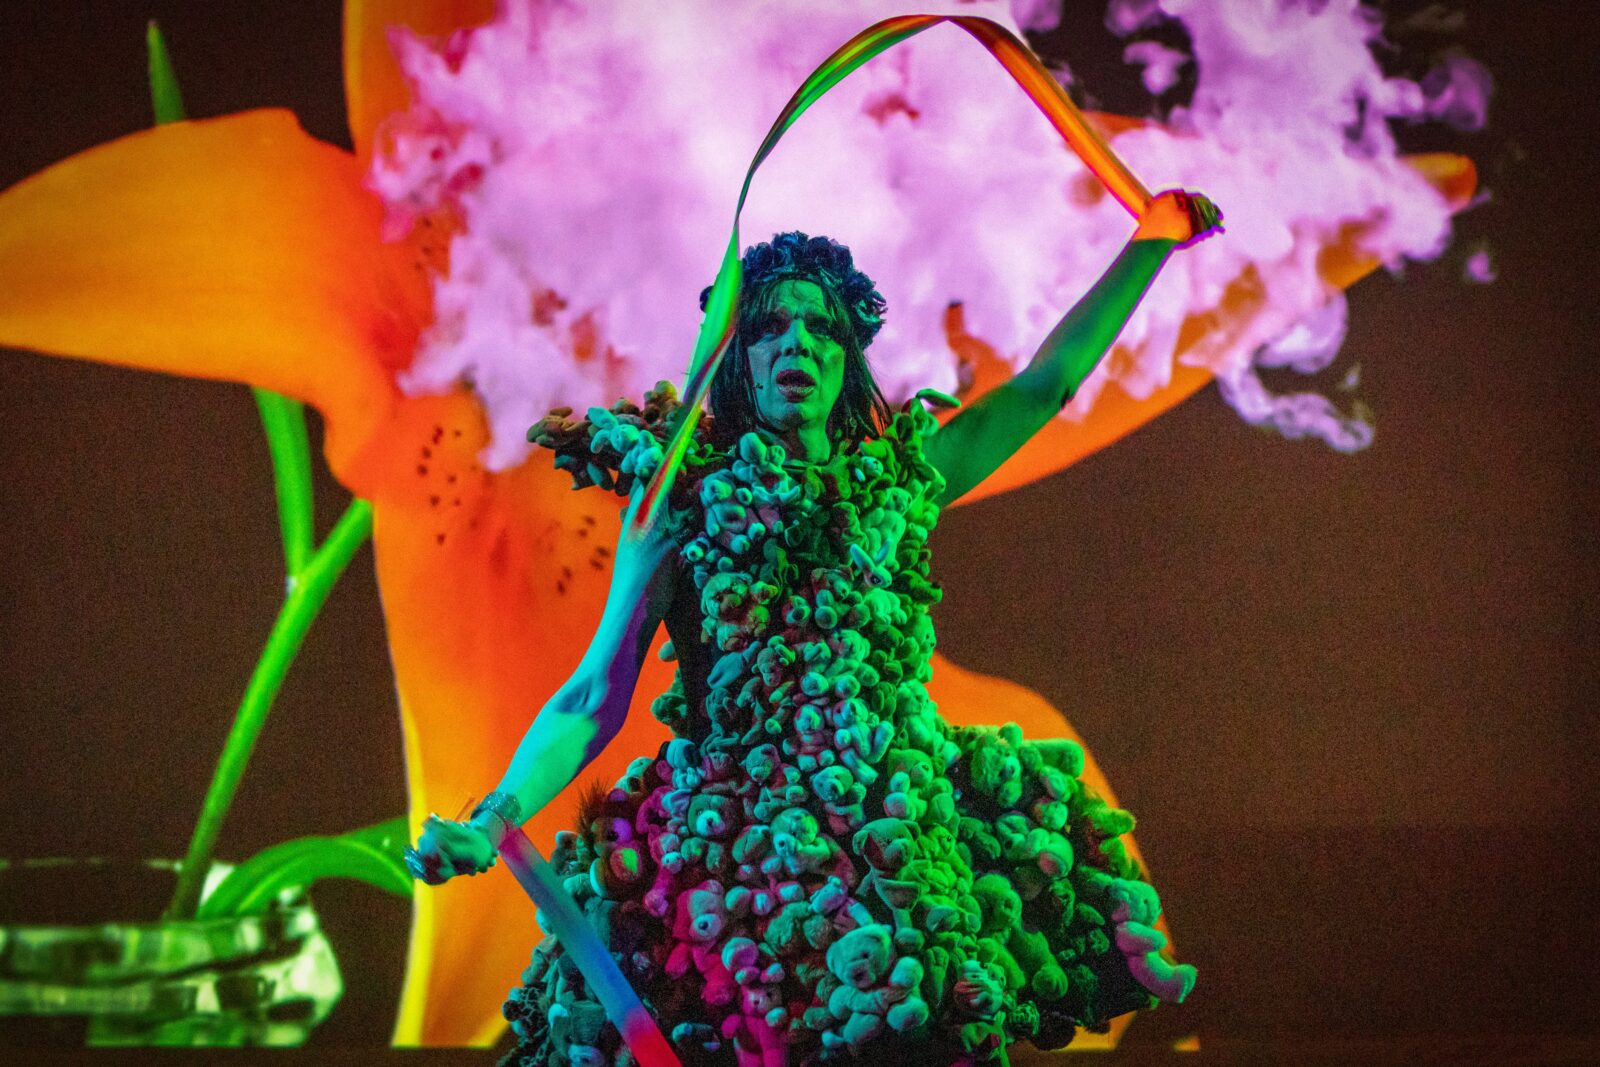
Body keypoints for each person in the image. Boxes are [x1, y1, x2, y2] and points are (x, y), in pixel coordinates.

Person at [409, 189, 1221, 1065]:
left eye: (821, 328)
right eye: (770, 326)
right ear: (741, 356)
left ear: (847, 358)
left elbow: (1045, 386)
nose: (797, 341)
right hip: (735, 861)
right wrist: (491, 820)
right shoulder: (681, 506)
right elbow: (594, 692)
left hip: (895, 851)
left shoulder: (902, 481)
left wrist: (1150, 243)